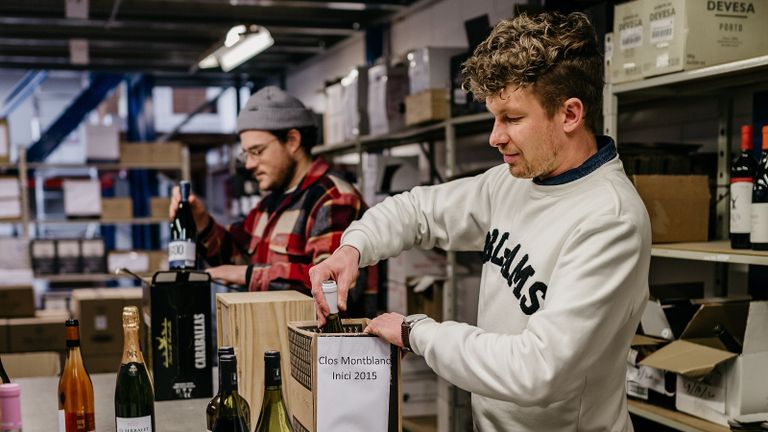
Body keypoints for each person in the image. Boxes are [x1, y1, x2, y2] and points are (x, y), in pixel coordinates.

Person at [309, 11, 651, 431]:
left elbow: (539, 369)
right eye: (494, 117)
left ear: (569, 114)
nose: (495, 136)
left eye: (512, 118)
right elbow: (417, 211)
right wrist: (353, 248)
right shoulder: (511, 182)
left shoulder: (610, 220)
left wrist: (416, 332)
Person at [170, 86, 379, 317]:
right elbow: (234, 256)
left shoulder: (333, 199)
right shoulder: (270, 204)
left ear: (292, 140)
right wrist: (200, 221)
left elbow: (332, 286)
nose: (248, 164)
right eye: (246, 154)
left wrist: (249, 276)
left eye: (257, 151)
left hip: (325, 351)